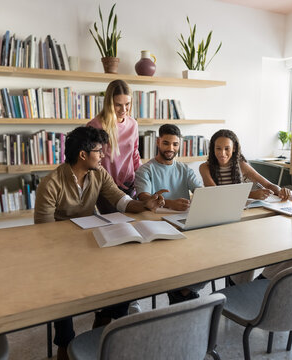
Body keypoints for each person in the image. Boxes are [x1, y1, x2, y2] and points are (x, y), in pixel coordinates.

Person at [34, 126, 164, 360]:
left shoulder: (99, 173)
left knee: (126, 273)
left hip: (90, 239)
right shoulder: (51, 183)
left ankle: (104, 317)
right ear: (83, 155)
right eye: (99, 151)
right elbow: (43, 232)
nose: (103, 156)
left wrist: (145, 205)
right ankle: (65, 344)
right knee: (61, 290)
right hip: (59, 249)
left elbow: (121, 200)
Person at [199, 129, 292, 283]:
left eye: (227, 148)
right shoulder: (205, 167)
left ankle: (262, 281)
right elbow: (217, 193)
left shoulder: (241, 165)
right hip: (220, 222)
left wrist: (280, 190)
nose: (222, 153)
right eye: (218, 148)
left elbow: (267, 183)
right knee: (246, 250)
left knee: (284, 246)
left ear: (234, 148)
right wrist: (250, 194)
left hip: (244, 219)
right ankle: (238, 285)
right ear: (212, 149)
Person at [135, 124, 206, 304]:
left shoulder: (184, 169)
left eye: (175, 144)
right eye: (166, 143)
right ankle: (182, 292)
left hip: (184, 226)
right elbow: (145, 198)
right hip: (157, 227)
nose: (170, 149)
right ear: (158, 142)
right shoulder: (145, 169)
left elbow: (201, 191)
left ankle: (182, 291)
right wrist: (169, 203)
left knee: (209, 256)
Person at [87, 79, 141, 214]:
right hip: (106, 187)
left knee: (133, 224)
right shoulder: (95, 126)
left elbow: (134, 153)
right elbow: (91, 160)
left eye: (127, 104)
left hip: (129, 184)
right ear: (109, 103)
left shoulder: (133, 124)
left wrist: (141, 178)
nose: (124, 110)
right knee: (114, 227)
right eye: (118, 105)